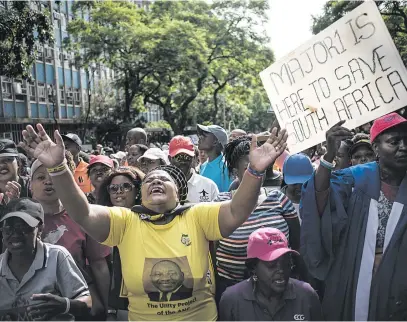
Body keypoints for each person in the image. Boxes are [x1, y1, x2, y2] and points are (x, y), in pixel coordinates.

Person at [20, 123, 288, 321]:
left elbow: (238, 211)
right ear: (141, 194)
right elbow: (82, 212)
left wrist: (254, 171)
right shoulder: (125, 221)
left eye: (164, 179)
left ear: (179, 193)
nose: (156, 181)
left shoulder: (197, 215)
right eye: (149, 180)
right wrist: (57, 168)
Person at [301, 113, 407, 320]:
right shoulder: (355, 178)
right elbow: (318, 199)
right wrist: (329, 156)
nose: (403, 147)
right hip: (355, 275)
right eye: (394, 142)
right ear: (376, 148)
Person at [215, 136, 300, 301]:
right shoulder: (220, 203)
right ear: (235, 173)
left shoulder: (278, 199)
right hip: (231, 290)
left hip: (277, 290)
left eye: (261, 164)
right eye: (250, 167)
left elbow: (297, 245)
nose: (258, 170)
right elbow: (211, 251)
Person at [30, 157, 111, 318]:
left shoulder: (83, 215)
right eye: (40, 177)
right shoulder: (20, 221)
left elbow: (99, 264)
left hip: (80, 302)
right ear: (30, 184)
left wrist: (109, 309)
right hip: (33, 305)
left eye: (53, 177)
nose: (48, 182)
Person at [0, 198, 91, 321]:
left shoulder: (57, 256)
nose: (15, 234)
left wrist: (65, 305)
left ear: (40, 229)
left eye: (23, 227)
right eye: (8, 228)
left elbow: (88, 302)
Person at [219, 228, 323, 321]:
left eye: (286, 263)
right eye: (272, 264)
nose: (281, 270)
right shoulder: (231, 301)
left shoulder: (306, 296)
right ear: (253, 267)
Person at [168, 136, 218, 203]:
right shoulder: (161, 187)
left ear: (194, 158)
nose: (183, 162)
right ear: (170, 159)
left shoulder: (209, 186)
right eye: (178, 157)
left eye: (187, 157)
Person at [197, 124, 232, 192]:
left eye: (204, 136)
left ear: (215, 142)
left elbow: (229, 197)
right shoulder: (203, 166)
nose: (200, 138)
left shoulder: (226, 168)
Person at [281, 153, 314, 219]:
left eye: (304, 182)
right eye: (294, 183)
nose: (299, 187)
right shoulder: (276, 202)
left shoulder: (318, 200)